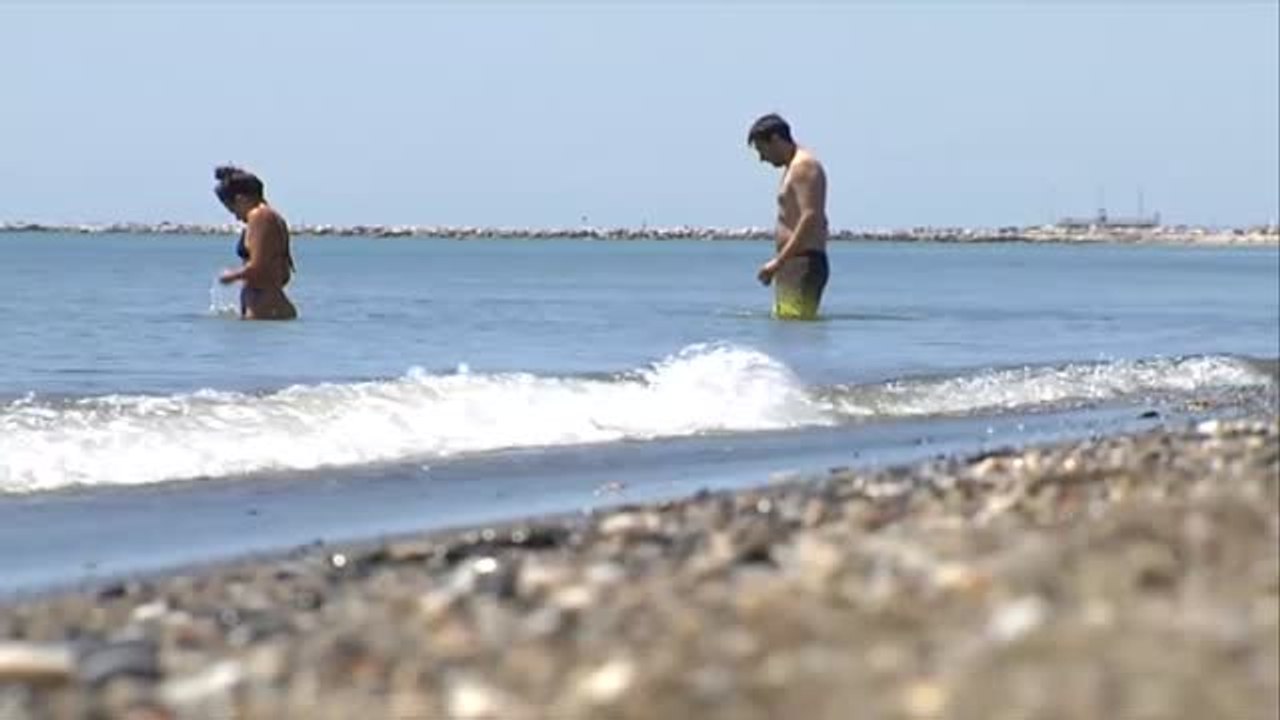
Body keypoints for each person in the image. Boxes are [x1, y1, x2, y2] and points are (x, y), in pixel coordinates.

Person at [747, 113, 830, 320]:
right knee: (786, 325)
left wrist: (778, 262)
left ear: (775, 139)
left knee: (795, 326)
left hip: (802, 263)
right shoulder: (793, 167)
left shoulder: (804, 166)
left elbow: (810, 217)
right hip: (793, 262)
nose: (762, 159)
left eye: (762, 150)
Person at [214, 165, 298, 320]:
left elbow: (258, 267)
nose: (237, 217)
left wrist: (230, 276)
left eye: (233, 210)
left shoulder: (260, 216)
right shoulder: (272, 217)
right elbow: (282, 272)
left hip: (266, 309)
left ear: (241, 199)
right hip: (269, 307)